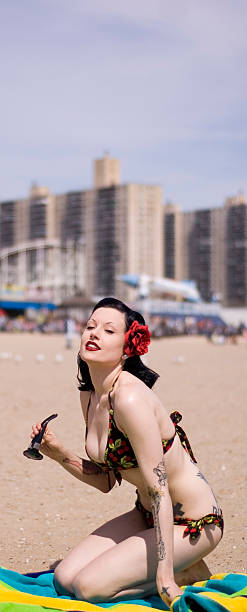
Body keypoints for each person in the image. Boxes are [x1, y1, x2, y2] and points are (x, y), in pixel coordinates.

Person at [30, 297, 224, 607]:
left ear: (127, 346)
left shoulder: (130, 399)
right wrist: (58, 453)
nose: (94, 334)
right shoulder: (91, 395)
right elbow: (106, 482)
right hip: (146, 514)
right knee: (65, 578)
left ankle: (186, 570)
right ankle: (166, 566)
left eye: (108, 331)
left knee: (89, 588)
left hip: (191, 523)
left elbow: (160, 490)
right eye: (90, 326)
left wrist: (165, 579)